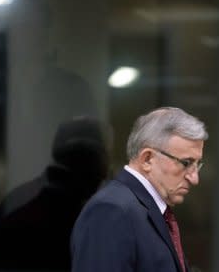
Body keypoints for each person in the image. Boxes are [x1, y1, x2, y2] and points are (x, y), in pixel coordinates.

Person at [71, 107, 208, 272]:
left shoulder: (150, 211)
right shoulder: (111, 210)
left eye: (197, 165)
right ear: (147, 159)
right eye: (186, 163)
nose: (194, 178)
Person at [0, 116, 109, 271]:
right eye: (102, 161)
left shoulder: (15, 202)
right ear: (90, 163)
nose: (105, 174)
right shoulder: (86, 217)